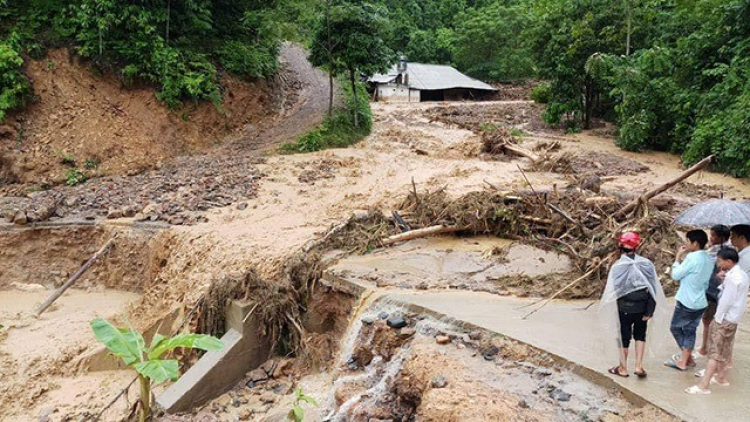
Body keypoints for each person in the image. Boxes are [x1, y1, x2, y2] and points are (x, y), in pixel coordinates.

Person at [600, 232, 665, 378]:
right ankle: (638, 366)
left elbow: (612, 290)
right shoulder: (646, 264)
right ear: (637, 246)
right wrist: (650, 311)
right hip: (643, 307)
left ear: (620, 246)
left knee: (624, 337)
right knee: (640, 335)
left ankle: (622, 368)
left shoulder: (618, 266)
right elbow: (652, 288)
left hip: (624, 308)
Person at [685, 248, 749, 394]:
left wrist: (717, 319)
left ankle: (704, 385)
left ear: (729, 261)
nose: (718, 263)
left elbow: (726, 300)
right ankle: (721, 377)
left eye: (720, 260)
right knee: (725, 349)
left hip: (725, 318)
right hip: (733, 318)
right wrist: (723, 280)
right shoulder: (741, 275)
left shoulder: (733, 278)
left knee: (715, 351)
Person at [665, 230, 713, 371]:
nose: (685, 243)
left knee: (675, 327)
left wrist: (678, 258)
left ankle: (683, 361)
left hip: (687, 300)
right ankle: (688, 359)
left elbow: (676, 275)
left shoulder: (692, 258)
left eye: (687, 241)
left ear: (695, 243)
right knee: (690, 330)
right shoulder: (708, 258)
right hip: (700, 301)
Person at [697, 225, 732, 358]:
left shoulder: (716, 253)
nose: (710, 238)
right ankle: (707, 347)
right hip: (719, 293)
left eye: (713, 236)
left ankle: (706, 348)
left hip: (713, 292)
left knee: (707, 321)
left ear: (721, 238)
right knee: (715, 321)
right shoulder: (730, 251)